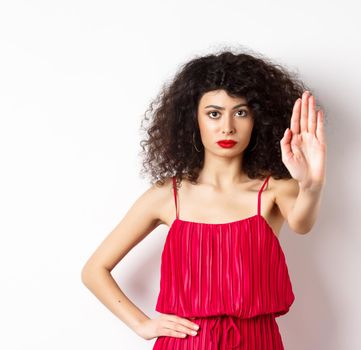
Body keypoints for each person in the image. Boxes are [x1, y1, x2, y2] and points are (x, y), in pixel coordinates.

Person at [81, 49, 327, 349]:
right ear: (192, 120)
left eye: (241, 112)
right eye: (214, 113)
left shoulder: (274, 189)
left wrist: (311, 185)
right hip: (186, 344)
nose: (227, 127)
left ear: (258, 119)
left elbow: (302, 224)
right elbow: (94, 270)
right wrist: (142, 324)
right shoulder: (166, 195)